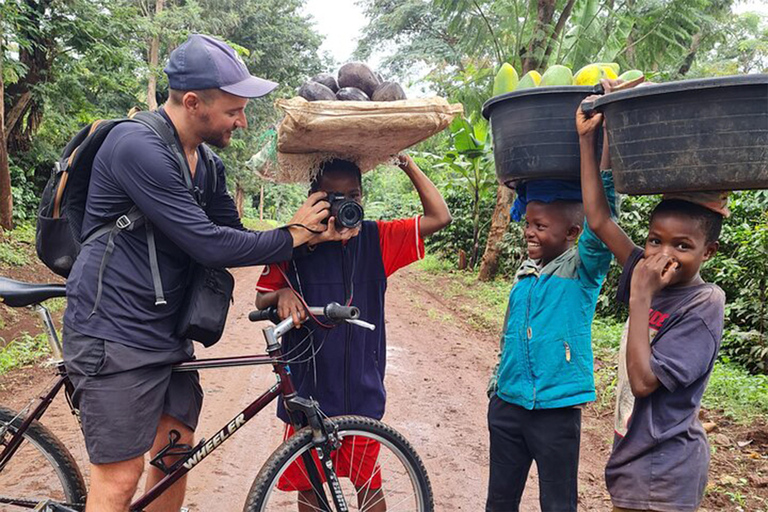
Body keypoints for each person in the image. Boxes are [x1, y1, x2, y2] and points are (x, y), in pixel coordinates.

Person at [62, 34, 352, 512]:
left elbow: (233, 234)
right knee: (121, 476)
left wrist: (311, 236)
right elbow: (208, 244)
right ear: (192, 102)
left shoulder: (207, 164)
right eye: (233, 110)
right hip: (114, 333)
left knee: (176, 452)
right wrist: (293, 233)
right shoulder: (137, 146)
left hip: (166, 332)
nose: (241, 120)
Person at [255, 155, 451, 511]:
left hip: (362, 390)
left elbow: (440, 217)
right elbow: (261, 295)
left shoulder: (378, 239)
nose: (345, 203)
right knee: (311, 485)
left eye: (353, 196)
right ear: (314, 199)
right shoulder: (293, 242)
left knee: (367, 483)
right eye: (333, 196)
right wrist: (282, 293)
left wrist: (405, 163)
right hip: (307, 388)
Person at [577, 82, 727, 512]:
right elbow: (599, 218)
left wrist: (641, 297)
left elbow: (644, 383)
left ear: (707, 252)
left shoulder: (703, 305)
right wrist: (589, 139)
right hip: (633, 459)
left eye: (682, 245)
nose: (663, 255)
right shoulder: (644, 268)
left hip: (667, 471)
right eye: (654, 240)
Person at [485, 142, 618, 510]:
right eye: (528, 223)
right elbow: (508, 335)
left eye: (540, 226)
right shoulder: (525, 274)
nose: (529, 232)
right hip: (508, 405)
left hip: (556, 413)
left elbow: (603, 219)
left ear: (573, 232)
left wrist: (599, 146)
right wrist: (498, 385)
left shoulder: (583, 270)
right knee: (499, 501)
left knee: (558, 504)